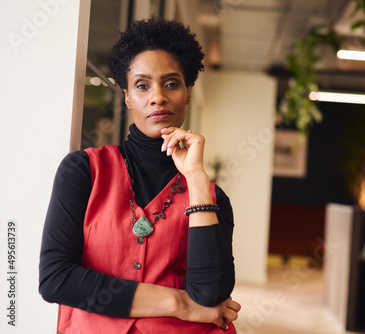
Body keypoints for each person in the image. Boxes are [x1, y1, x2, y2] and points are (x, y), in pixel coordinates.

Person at [39, 17, 240, 334]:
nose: (157, 96)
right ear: (127, 96)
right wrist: (180, 304)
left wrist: (197, 180)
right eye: (142, 85)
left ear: (187, 92)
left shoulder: (213, 197)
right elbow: (56, 280)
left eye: (171, 83)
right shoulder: (82, 171)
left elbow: (211, 295)